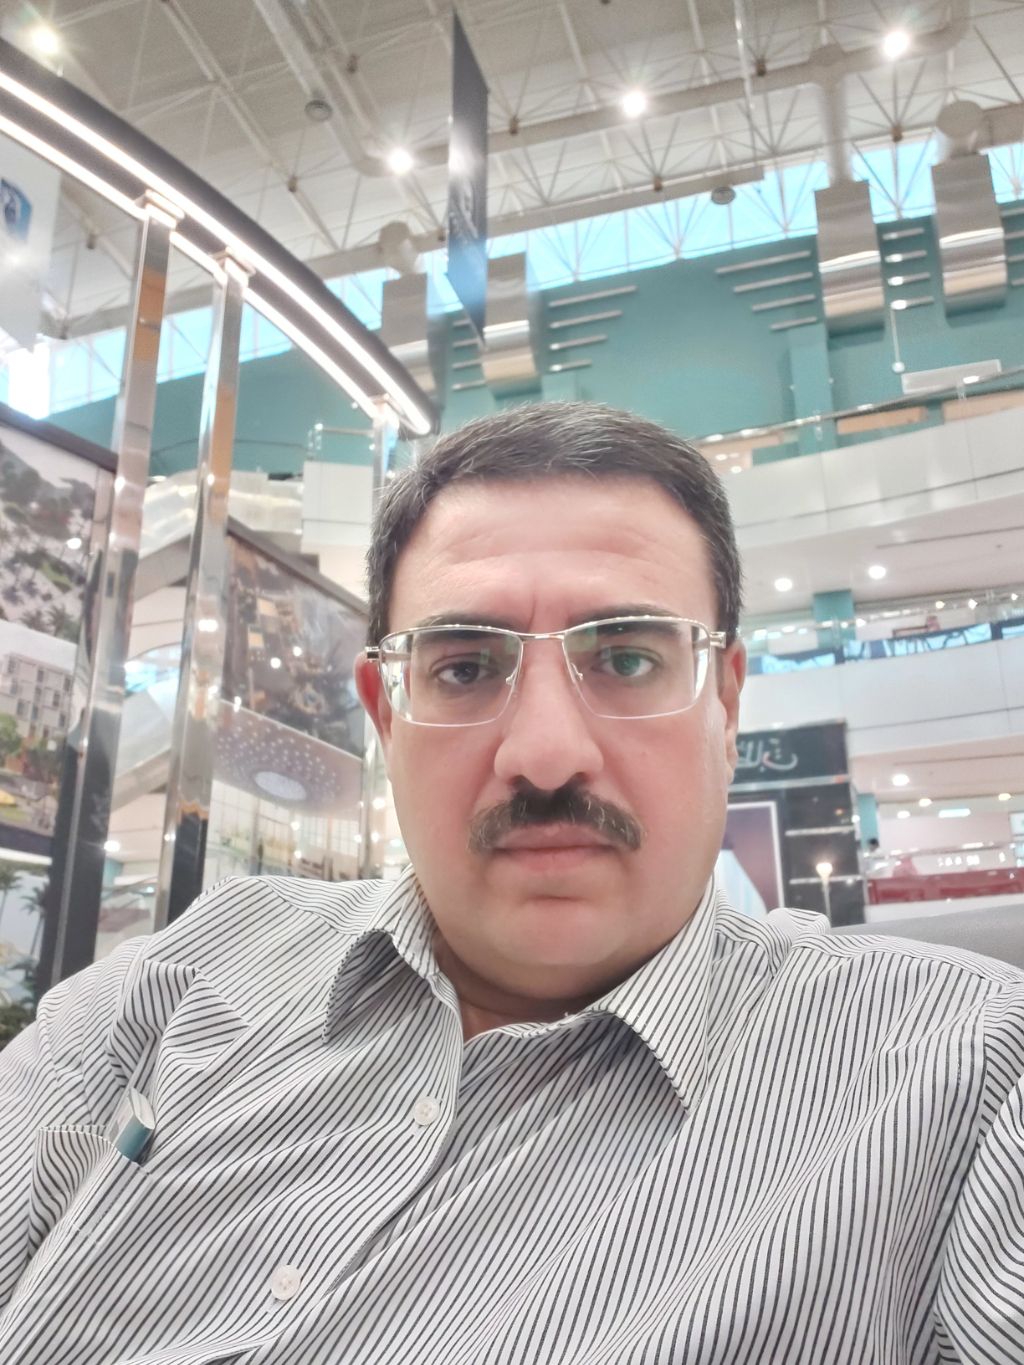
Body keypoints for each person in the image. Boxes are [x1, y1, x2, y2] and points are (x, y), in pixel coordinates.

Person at [1, 402, 1022, 1364]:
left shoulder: (963, 1082)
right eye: (464, 667)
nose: (544, 754)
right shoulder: (196, 968)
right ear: (386, 712)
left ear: (725, 702)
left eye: (627, 659)